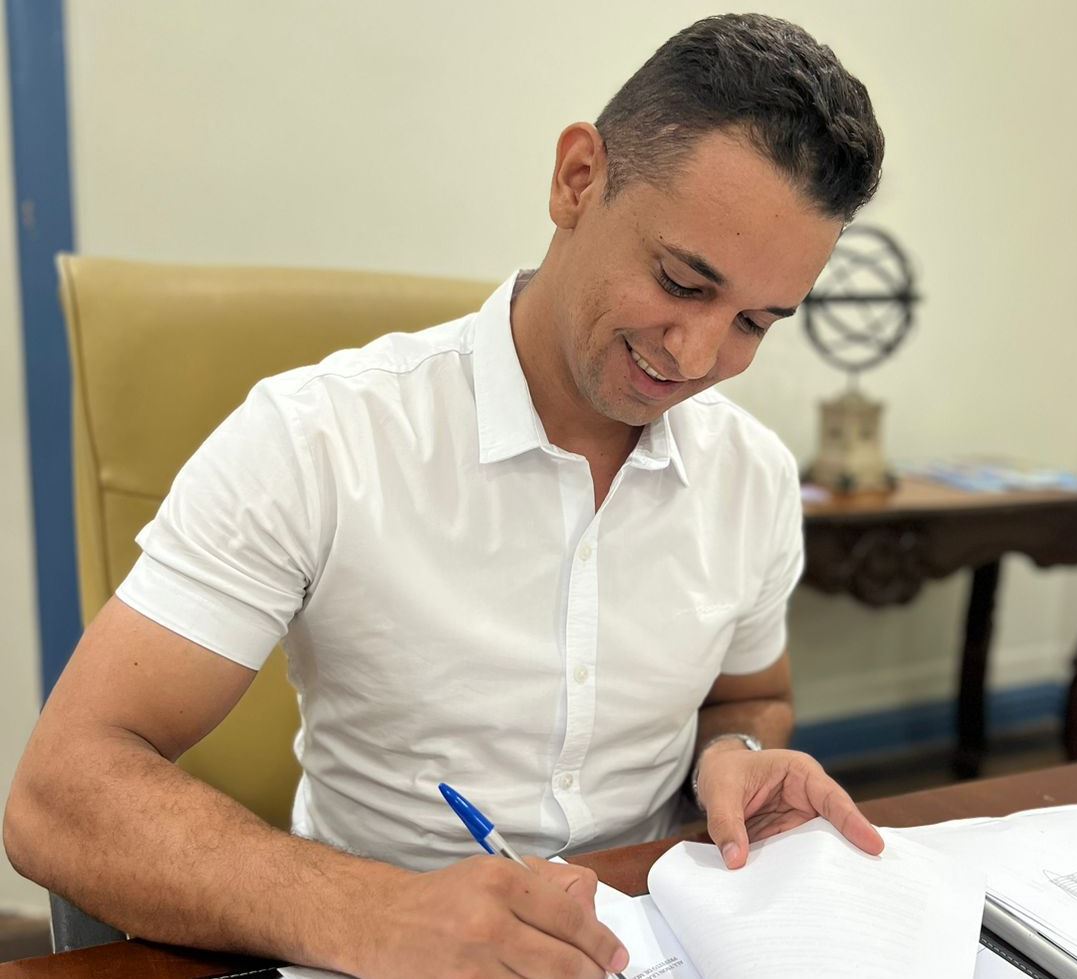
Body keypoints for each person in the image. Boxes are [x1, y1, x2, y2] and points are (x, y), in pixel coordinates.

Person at [4, 12, 885, 979]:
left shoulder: (752, 475)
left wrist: (735, 752)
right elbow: (59, 793)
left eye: (755, 322)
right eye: (680, 282)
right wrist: (377, 913)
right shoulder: (321, 438)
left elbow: (751, 695)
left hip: (646, 940)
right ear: (577, 179)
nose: (699, 354)